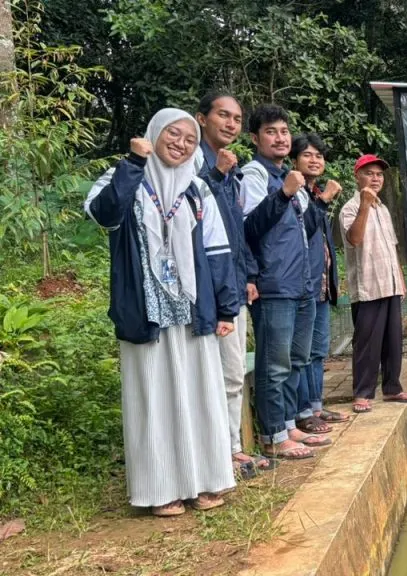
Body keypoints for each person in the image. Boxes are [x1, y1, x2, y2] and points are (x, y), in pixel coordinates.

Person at [84, 108, 239, 516]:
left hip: (192, 308)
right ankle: (162, 490)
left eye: (189, 139)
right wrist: (134, 164)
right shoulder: (124, 176)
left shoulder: (197, 189)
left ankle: (206, 481)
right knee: (152, 396)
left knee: (201, 393)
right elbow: (105, 213)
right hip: (144, 309)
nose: (181, 144)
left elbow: (218, 250)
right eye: (173, 134)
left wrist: (226, 308)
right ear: (154, 134)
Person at [192, 92, 275, 478]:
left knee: (232, 370)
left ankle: (232, 449)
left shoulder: (229, 167)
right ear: (201, 118)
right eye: (223, 115)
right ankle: (215, 453)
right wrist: (216, 175)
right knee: (208, 373)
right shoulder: (195, 163)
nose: (230, 124)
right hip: (204, 287)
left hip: (234, 282)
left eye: (237, 118)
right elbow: (189, 212)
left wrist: (249, 275)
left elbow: (235, 230)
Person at [241, 104, 329, 460]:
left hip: (302, 285)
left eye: (284, 131)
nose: (280, 138)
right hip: (274, 285)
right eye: (271, 132)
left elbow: (304, 232)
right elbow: (248, 228)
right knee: (274, 365)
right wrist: (284, 195)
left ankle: (289, 424)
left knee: (296, 360)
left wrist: (312, 200)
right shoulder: (254, 175)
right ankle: (273, 435)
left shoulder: (288, 178)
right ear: (255, 138)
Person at [341, 154, 407, 413]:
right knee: (367, 343)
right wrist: (364, 205)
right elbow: (354, 239)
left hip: (390, 284)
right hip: (368, 288)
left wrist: (401, 280)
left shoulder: (383, 209)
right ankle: (362, 393)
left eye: (379, 174)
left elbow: (392, 247)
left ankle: (392, 387)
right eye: (369, 173)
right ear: (357, 176)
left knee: (393, 341)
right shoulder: (350, 208)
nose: (375, 179)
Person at [289, 133, 349, 432]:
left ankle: (316, 406)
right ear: (294, 160)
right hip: (303, 285)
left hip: (322, 287)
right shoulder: (295, 193)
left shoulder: (313, 193)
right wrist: (324, 200)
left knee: (317, 351)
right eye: (307, 155)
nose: (314, 160)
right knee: (300, 353)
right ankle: (302, 412)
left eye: (319, 156)